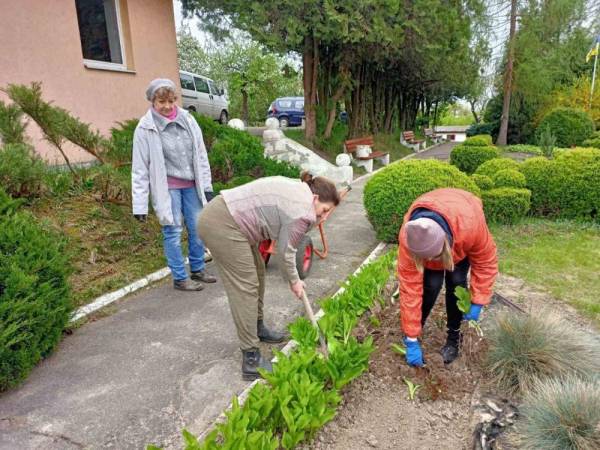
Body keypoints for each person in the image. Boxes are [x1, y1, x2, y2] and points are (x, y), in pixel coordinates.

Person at [198, 173, 340, 380]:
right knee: (245, 287)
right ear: (316, 199)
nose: (324, 217)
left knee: (257, 274)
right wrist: (295, 282)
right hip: (222, 222)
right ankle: (251, 359)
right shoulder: (303, 210)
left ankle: (257, 327)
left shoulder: (302, 192)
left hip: (230, 218)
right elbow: (286, 252)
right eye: (325, 210)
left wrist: (293, 279)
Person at [132, 78, 217, 291]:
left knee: (198, 226)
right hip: (167, 187)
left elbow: (200, 154)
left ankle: (197, 269)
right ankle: (180, 277)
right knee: (173, 230)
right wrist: (139, 205)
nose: (168, 106)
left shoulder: (188, 119)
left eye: (171, 101)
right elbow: (140, 169)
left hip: (191, 184)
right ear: (153, 101)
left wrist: (206, 186)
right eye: (162, 102)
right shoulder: (145, 128)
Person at [397, 188, 498, 366]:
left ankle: (454, 337)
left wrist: (478, 301)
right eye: (424, 259)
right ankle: (413, 333)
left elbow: (485, 262)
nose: (430, 262)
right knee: (431, 284)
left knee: (456, 281)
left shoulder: (471, 226)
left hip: (460, 224)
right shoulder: (410, 238)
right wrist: (411, 337)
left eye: (433, 258)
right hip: (443, 229)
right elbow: (409, 289)